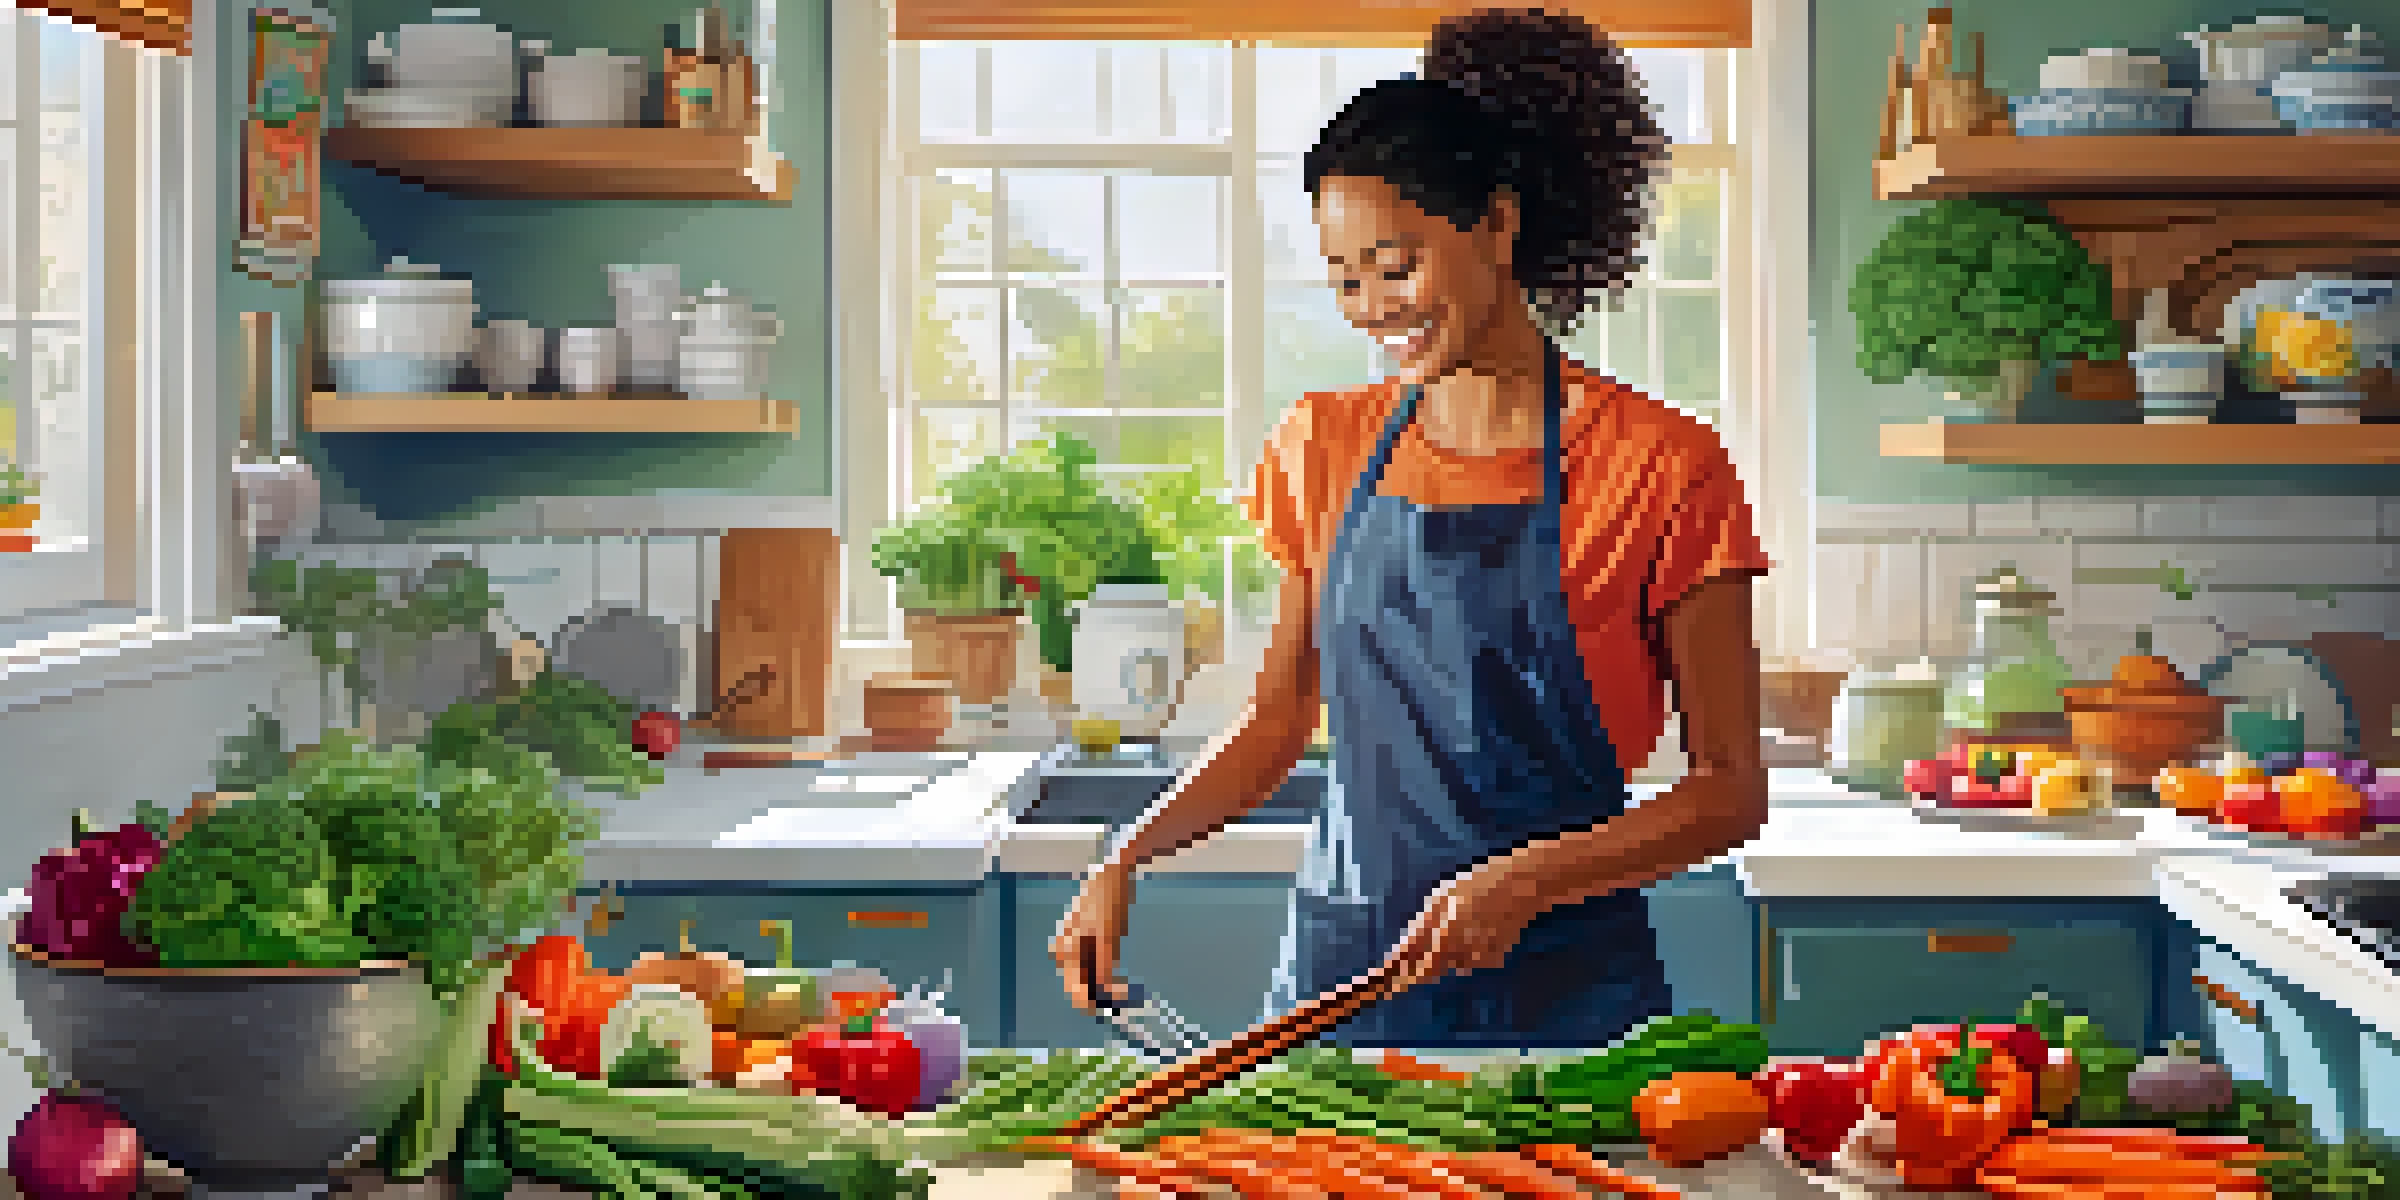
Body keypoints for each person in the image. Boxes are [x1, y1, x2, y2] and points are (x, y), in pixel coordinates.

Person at [1051, 7, 1773, 1049]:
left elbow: (1727, 794)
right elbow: (1274, 725)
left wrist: (1527, 880)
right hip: (1345, 986)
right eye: (1345, 279)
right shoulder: (1323, 442)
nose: (1374, 307)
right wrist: (1123, 856)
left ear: (1497, 225)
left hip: (1570, 1009)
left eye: (1397, 266)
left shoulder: (1663, 467)